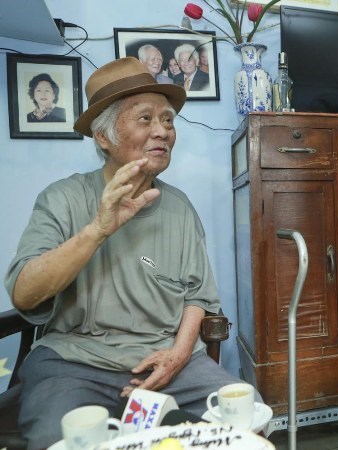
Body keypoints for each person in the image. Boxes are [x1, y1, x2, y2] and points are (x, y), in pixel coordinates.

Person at [4, 57, 257, 449]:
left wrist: (177, 355)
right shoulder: (62, 198)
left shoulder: (180, 208)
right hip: (74, 364)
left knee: (245, 419)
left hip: (167, 362)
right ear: (103, 137)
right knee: (63, 439)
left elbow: (198, 297)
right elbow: (24, 294)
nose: (163, 131)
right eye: (145, 119)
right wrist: (98, 229)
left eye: (168, 120)